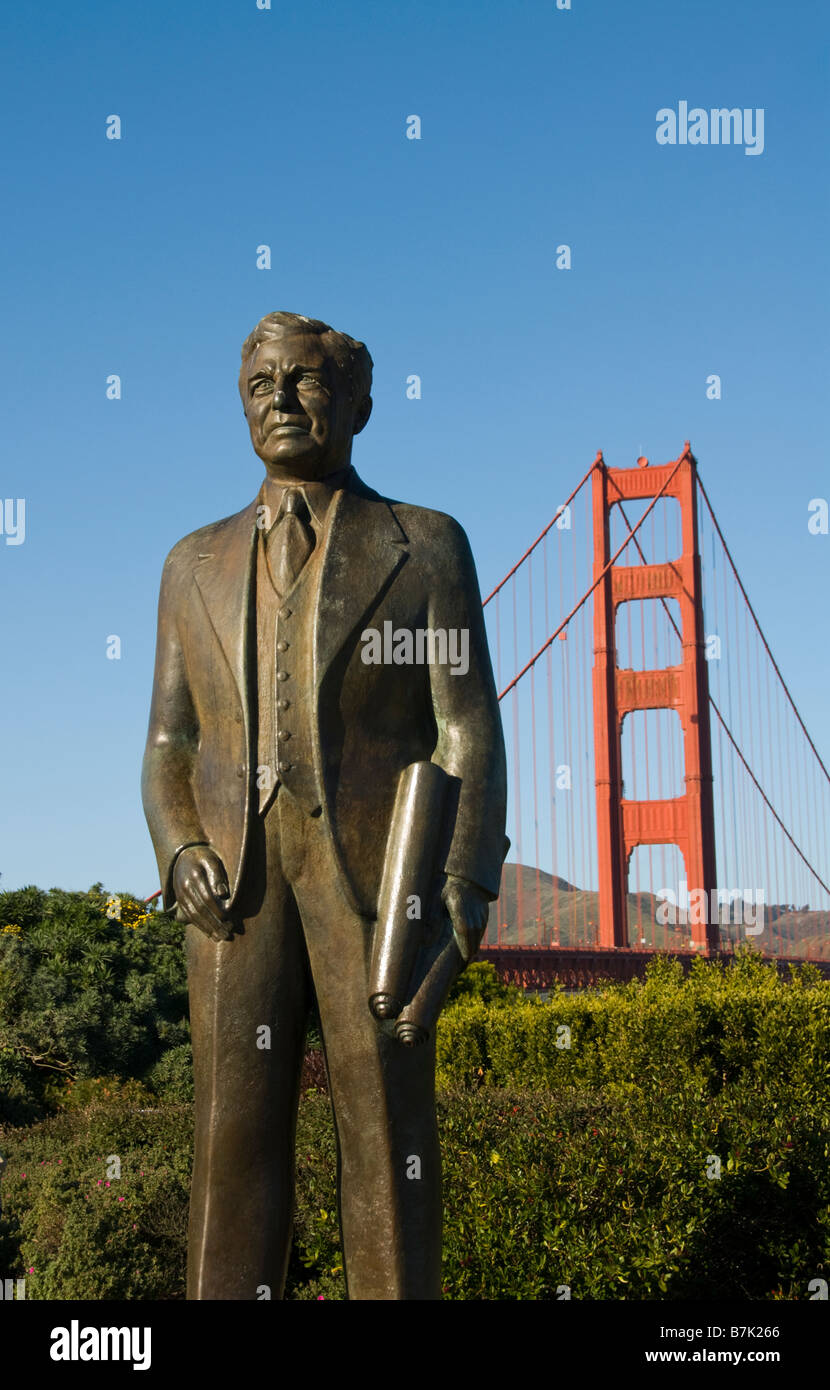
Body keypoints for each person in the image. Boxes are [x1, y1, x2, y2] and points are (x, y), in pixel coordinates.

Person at [142, 311, 507, 1299]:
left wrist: (466, 884)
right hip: (233, 885)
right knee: (227, 1145)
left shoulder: (426, 546)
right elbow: (170, 744)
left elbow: (465, 723)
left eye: (304, 381)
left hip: (379, 884)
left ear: (357, 403)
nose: (282, 400)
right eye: (261, 383)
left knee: (387, 1145)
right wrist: (179, 851)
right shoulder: (189, 564)